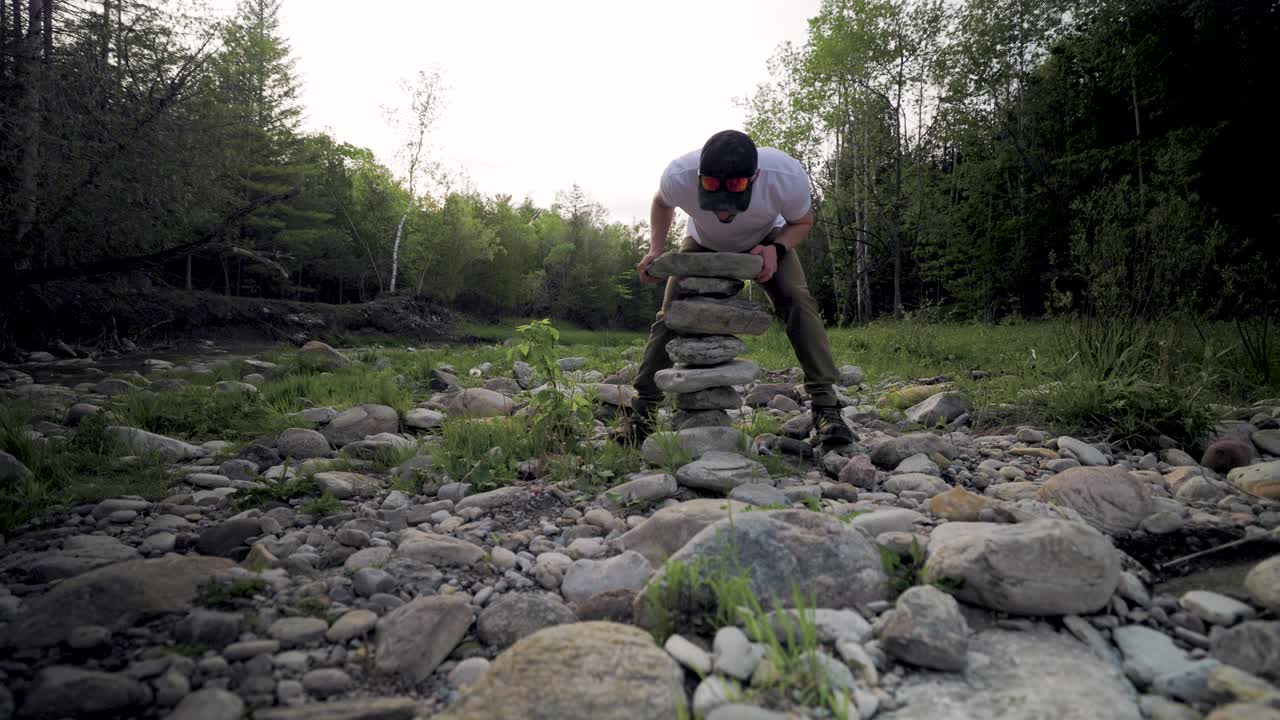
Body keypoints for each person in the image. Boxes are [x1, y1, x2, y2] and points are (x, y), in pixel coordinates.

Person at [624, 129, 855, 447]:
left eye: (732, 203)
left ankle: (827, 408)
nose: (722, 213)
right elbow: (661, 203)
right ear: (700, 177)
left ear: (755, 176)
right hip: (702, 244)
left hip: (767, 240)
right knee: (671, 316)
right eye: (714, 201)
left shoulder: (785, 175)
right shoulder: (679, 174)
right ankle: (642, 414)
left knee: (798, 301)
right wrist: (655, 248)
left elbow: (802, 221)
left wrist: (777, 250)